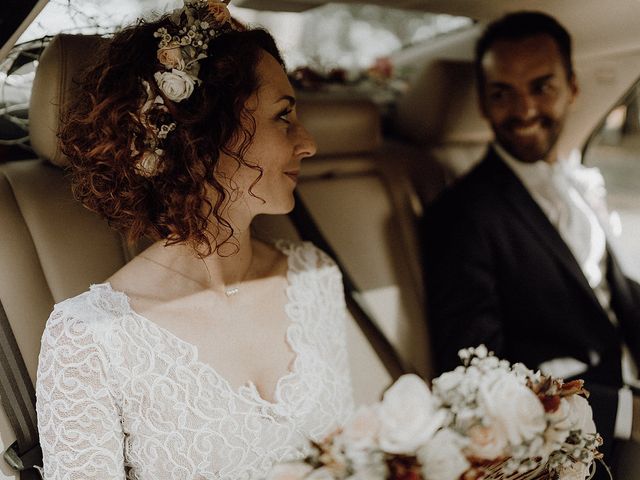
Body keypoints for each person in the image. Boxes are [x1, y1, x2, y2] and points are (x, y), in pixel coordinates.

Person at [35, 2, 354, 478]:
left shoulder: (314, 275)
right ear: (201, 137)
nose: (307, 143)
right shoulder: (89, 342)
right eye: (282, 117)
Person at [421, 10, 640, 466]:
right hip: (583, 437)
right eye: (503, 93)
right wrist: (627, 414)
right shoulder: (461, 215)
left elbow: (605, 296)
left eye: (542, 87)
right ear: (483, 102)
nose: (524, 112)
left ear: (573, 89)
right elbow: (474, 372)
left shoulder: (574, 182)